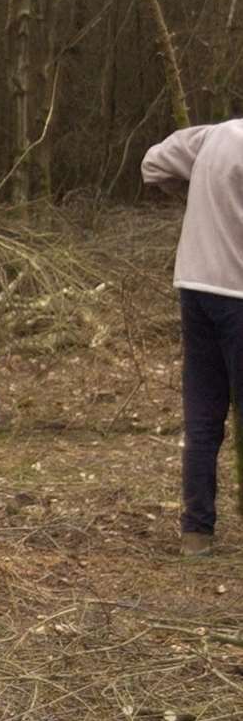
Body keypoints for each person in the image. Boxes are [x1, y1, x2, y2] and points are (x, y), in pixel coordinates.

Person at [142, 118, 243, 557]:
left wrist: (191, 193)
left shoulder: (217, 135)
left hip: (196, 286)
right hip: (238, 293)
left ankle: (196, 532)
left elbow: (153, 164)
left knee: (203, 417)